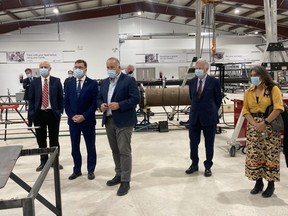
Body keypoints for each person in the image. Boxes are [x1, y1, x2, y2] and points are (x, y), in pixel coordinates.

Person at [97, 57, 139, 196]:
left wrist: (120, 105)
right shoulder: (104, 83)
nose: (110, 70)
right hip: (109, 120)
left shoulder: (128, 80)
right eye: (108, 67)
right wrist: (101, 105)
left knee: (124, 151)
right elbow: (99, 98)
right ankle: (119, 174)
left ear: (119, 67)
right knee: (115, 150)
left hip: (124, 121)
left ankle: (125, 181)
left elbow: (135, 99)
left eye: (112, 67)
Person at [242, 66, 284, 198]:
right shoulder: (249, 91)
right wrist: (255, 124)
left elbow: (278, 108)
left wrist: (264, 123)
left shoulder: (273, 89)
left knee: (270, 154)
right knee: (255, 155)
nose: (253, 77)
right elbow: (246, 111)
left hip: (270, 126)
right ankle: (258, 182)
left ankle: (270, 184)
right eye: (252, 75)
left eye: (256, 75)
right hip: (253, 128)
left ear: (263, 76)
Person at [185, 58, 222, 177]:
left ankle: (208, 166)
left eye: (199, 68)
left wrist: (211, 110)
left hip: (209, 117)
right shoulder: (192, 82)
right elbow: (192, 98)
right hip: (195, 117)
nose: (197, 70)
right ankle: (194, 164)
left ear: (206, 69)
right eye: (196, 68)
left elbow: (218, 99)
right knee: (193, 142)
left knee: (209, 143)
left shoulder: (214, 82)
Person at [64, 59, 98, 180]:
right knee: (74, 147)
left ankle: (91, 170)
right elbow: (66, 102)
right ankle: (77, 170)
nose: (77, 69)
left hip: (87, 121)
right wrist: (71, 115)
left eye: (80, 67)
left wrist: (84, 116)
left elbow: (94, 104)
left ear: (85, 69)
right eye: (76, 67)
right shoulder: (69, 83)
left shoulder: (92, 84)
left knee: (90, 146)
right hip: (73, 121)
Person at [28, 61, 63, 171]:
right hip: (39, 115)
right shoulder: (35, 82)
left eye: (45, 67)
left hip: (53, 114)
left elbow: (60, 98)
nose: (43, 68)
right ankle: (43, 161)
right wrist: (32, 114)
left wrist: (60, 111)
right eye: (41, 67)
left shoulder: (56, 81)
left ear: (50, 68)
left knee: (54, 139)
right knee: (41, 139)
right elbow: (31, 99)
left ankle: (54, 161)